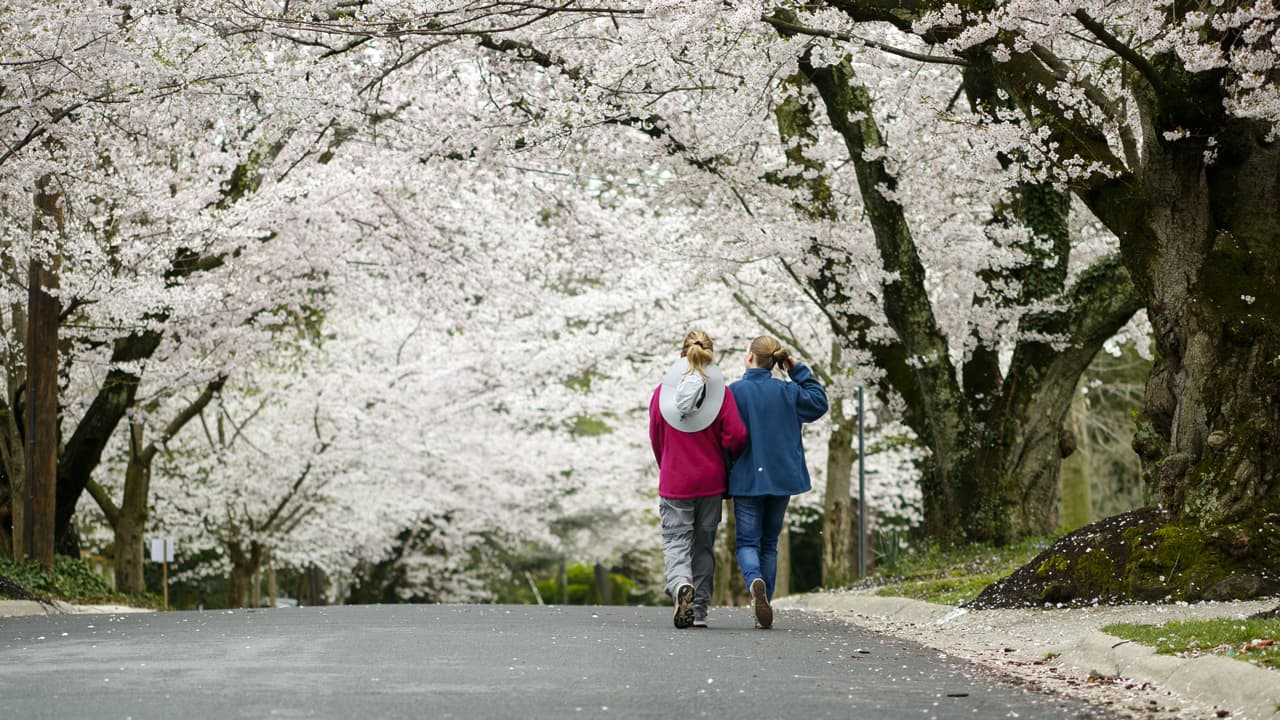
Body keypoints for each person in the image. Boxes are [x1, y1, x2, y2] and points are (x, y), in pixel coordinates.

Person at [649, 330, 747, 629]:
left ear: (681, 356)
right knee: (703, 545)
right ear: (711, 356)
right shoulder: (722, 394)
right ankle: (700, 609)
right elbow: (738, 435)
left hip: (675, 479)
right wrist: (724, 459)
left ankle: (681, 584)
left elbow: (656, 435)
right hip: (710, 482)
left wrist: (666, 464)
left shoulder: (661, 393)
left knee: (677, 540)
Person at [728, 335, 828, 629]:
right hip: (781, 477)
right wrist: (797, 370)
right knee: (769, 543)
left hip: (746, 477)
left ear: (749, 358)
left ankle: (754, 580)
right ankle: (765, 603)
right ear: (776, 361)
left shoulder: (734, 393)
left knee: (748, 541)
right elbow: (819, 404)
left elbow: (725, 436)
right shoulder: (788, 391)